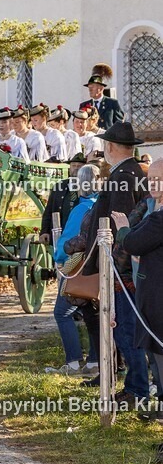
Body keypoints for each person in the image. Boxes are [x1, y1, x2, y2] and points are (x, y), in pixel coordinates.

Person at [78, 122, 150, 409]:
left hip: (121, 267)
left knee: (125, 329)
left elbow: (121, 224)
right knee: (126, 328)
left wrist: (116, 270)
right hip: (126, 265)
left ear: (109, 147)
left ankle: (137, 389)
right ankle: (137, 387)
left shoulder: (123, 177)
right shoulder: (133, 173)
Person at [112, 158, 163, 421]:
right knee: (155, 360)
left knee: (160, 361)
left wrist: (122, 230)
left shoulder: (159, 218)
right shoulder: (153, 211)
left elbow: (133, 242)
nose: (152, 184)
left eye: (158, 179)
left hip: (157, 303)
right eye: (150, 179)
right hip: (151, 299)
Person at [45, 164, 101, 376]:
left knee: (61, 313)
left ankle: (74, 362)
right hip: (94, 269)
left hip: (76, 269)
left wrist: (58, 260)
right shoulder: (98, 205)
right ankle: (95, 362)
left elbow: (67, 241)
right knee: (91, 314)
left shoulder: (80, 209)